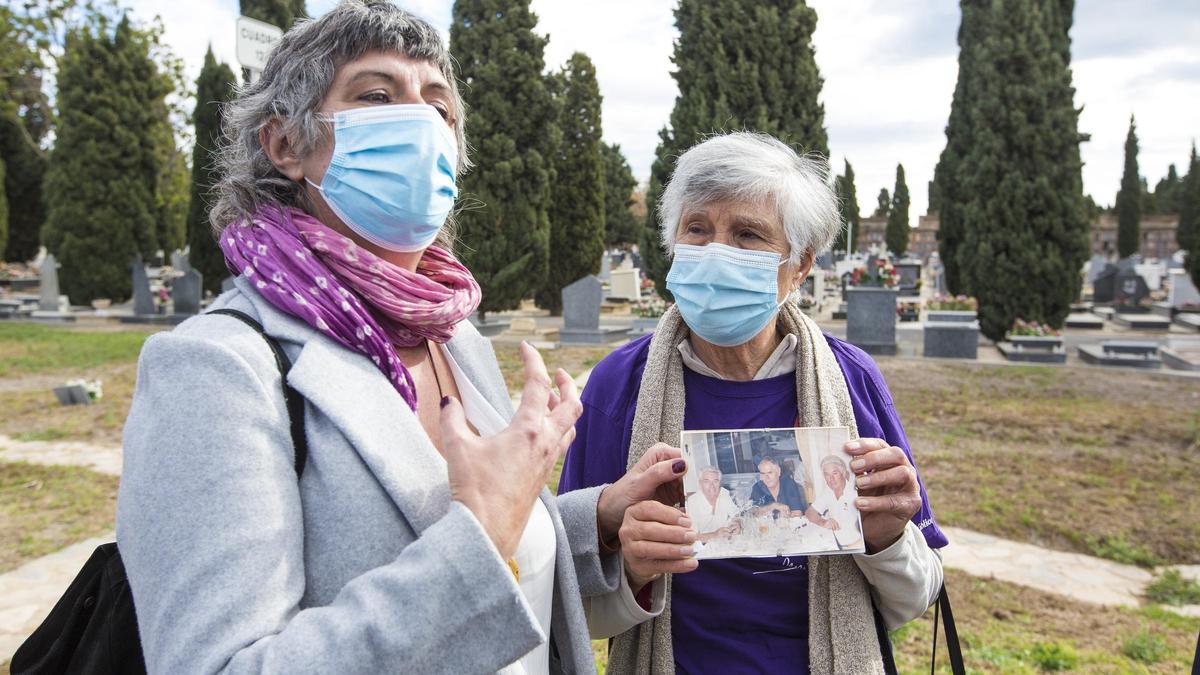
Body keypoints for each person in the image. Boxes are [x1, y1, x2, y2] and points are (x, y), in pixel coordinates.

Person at [116, 3, 682, 673]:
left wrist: (602, 524)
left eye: (437, 105)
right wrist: (483, 533)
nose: (420, 121)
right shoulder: (217, 367)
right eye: (377, 95)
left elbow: (510, 576)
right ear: (286, 145)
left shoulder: (452, 335)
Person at [557, 132, 948, 673]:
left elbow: (915, 598)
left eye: (747, 235)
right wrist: (631, 573)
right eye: (697, 228)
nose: (717, 252)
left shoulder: (851, 381)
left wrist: (885, 539)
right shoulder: (618, 387)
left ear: (800, 263)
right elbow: (569, 606)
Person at [807, 455, 864, 549]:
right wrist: (823, 522)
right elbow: (809, 512)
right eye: (827, 475)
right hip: (833, 543)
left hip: (855, 546)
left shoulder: (855, 492)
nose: (831, 478)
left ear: (843, 473)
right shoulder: (828, 491)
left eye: (835, 473)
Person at [684, 467, 740, 541]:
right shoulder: (692, 503)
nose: (712, 486)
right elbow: (690, 537)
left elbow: (737, 514)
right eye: (706, 481)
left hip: (723, 543)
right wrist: (714, 535)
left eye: (715, 481)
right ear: (700, 484)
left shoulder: (724, 494)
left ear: (720, 483)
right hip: (702, 547)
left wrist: (737, 523)